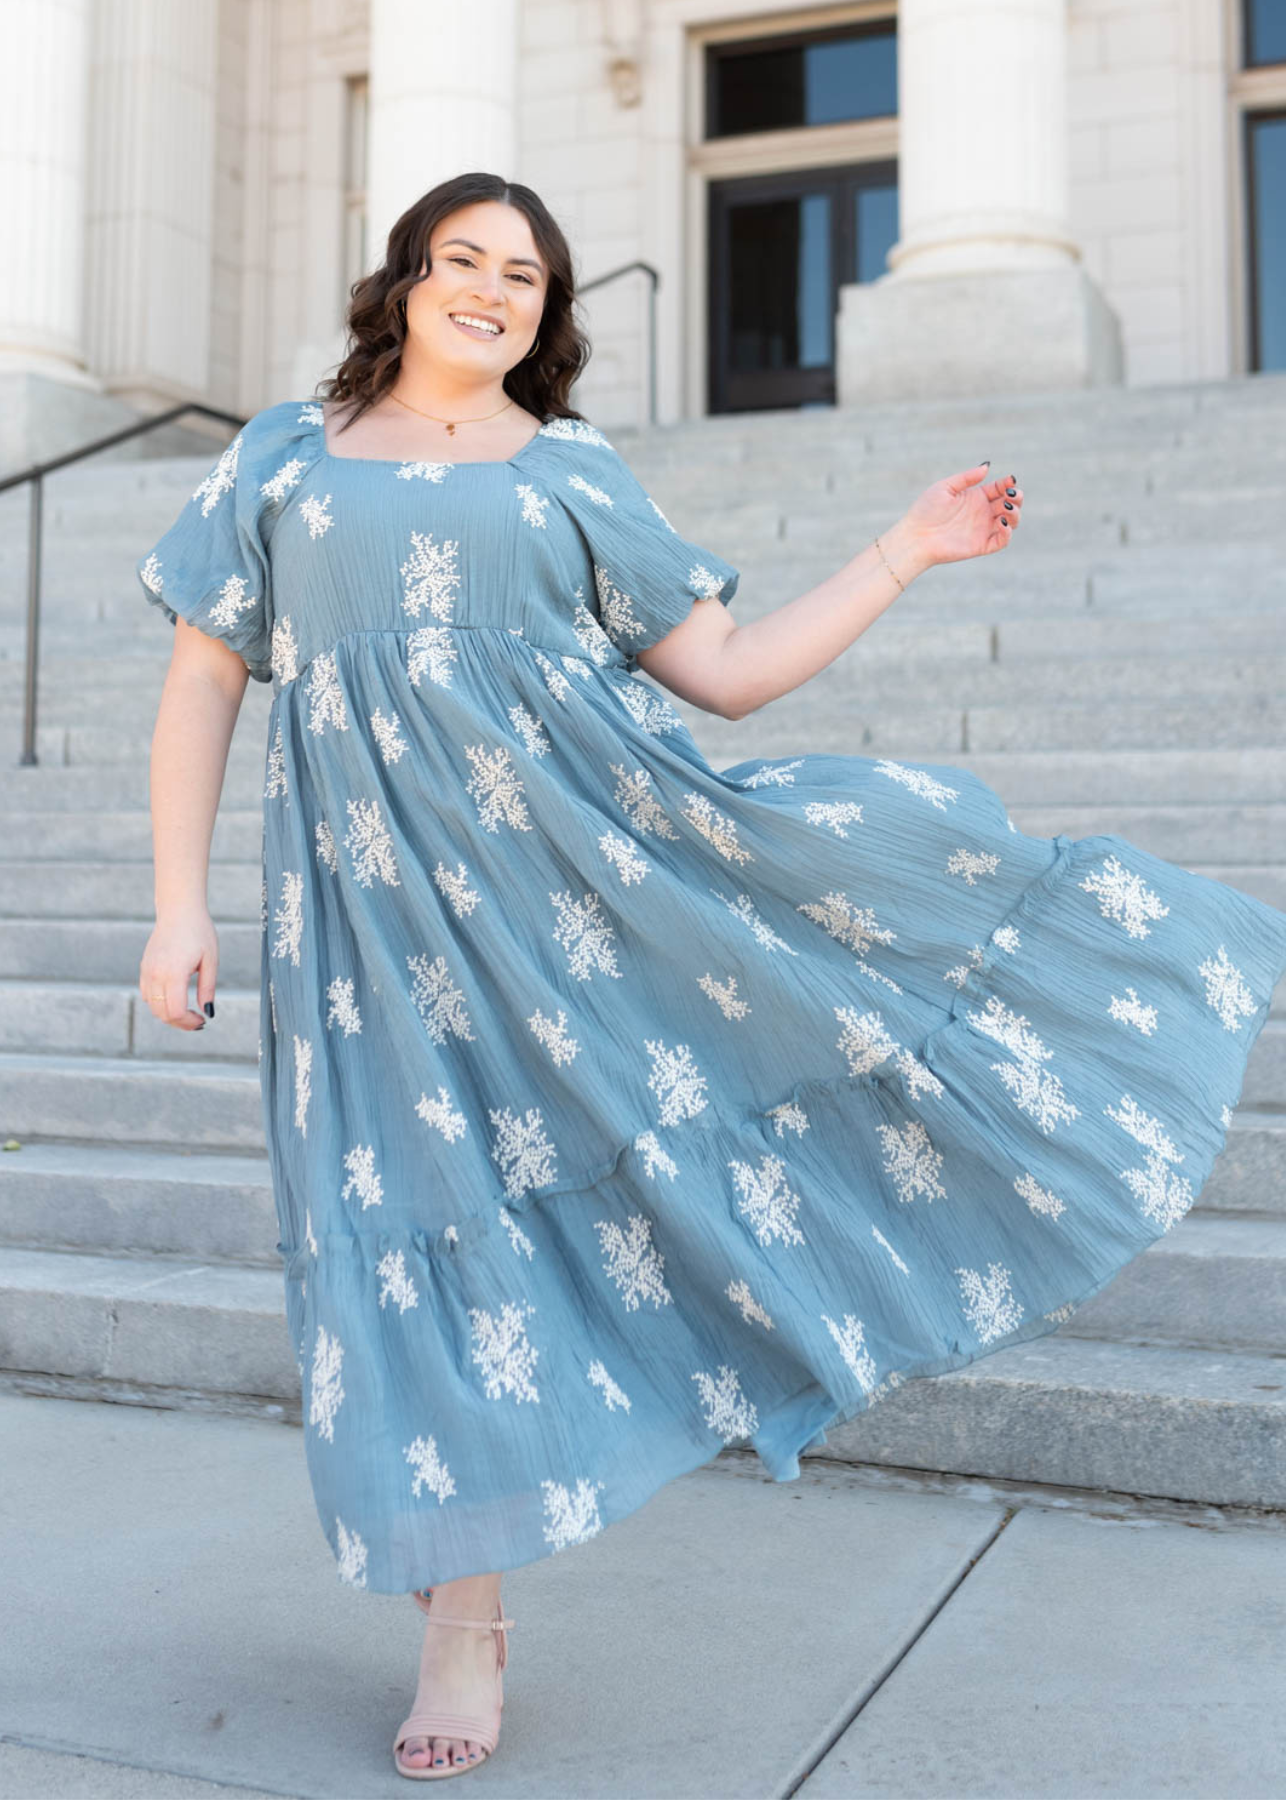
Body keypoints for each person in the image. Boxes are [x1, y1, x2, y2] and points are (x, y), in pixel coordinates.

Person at [135, 171, 1286, 1782]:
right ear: (400, 282)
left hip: (586, 893)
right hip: (367, 939)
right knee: (417, 1231)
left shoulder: (574, 473)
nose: (490, 289)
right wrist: (177, 907)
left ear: (546, 315)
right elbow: (204, 684)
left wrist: (903, 547)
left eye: (523, 275)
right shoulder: (277, 460)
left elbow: (727, 676)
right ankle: (462, 1625)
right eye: (460, 260)